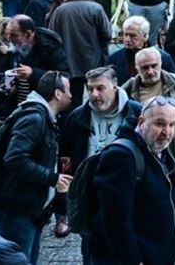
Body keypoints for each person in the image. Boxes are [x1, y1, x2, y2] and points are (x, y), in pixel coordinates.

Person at [89, 96, 175, 265]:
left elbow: (150, 196)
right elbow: (114, 221)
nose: (167, 132)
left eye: (172, 125)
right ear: (142, 122)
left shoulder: (155, 148)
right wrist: (134, 260)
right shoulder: (121, 157)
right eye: (160, 124)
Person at [0, 71, 73, 263]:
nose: (71, 95)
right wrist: (52, 178)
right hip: (16, 209)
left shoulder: (44, 116)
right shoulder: (34, 119)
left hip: (29, 208)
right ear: (58, 94)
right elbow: (15, 159)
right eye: (68, 90)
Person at [58, 66, 142, 246]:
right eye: (90, 89)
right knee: (92, 247)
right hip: (91, 195)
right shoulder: (77, 117)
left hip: (129, 192)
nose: (94, 94)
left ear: (115, 87)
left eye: (100, 88)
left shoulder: (136, 114)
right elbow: (66, 158)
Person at [48, 0, 112, 107]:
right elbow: (107, 34)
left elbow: (52, 37)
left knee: (73, 100)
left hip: (69, 63)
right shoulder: (96, 8)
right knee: (97, 98)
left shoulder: (60, 10)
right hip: (93, 63)